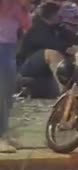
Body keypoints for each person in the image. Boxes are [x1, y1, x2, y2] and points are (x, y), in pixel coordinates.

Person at [17, 2, 78, 95]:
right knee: (52, 54)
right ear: (52, 15)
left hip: (42, 67)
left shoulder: (57, 27)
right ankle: (64, 92)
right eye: (59, 14)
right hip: (26, 64)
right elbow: (53, 44)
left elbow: (72, 41)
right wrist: (71, 49)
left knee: (72, 57)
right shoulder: (36, 28)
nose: (62, 16)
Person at [0, 0, 31, 153]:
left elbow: (27, 25)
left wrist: (23, 8)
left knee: (7, 94)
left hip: (10, 48)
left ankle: (4, 133)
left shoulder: (18, 6)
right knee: (1, 94)